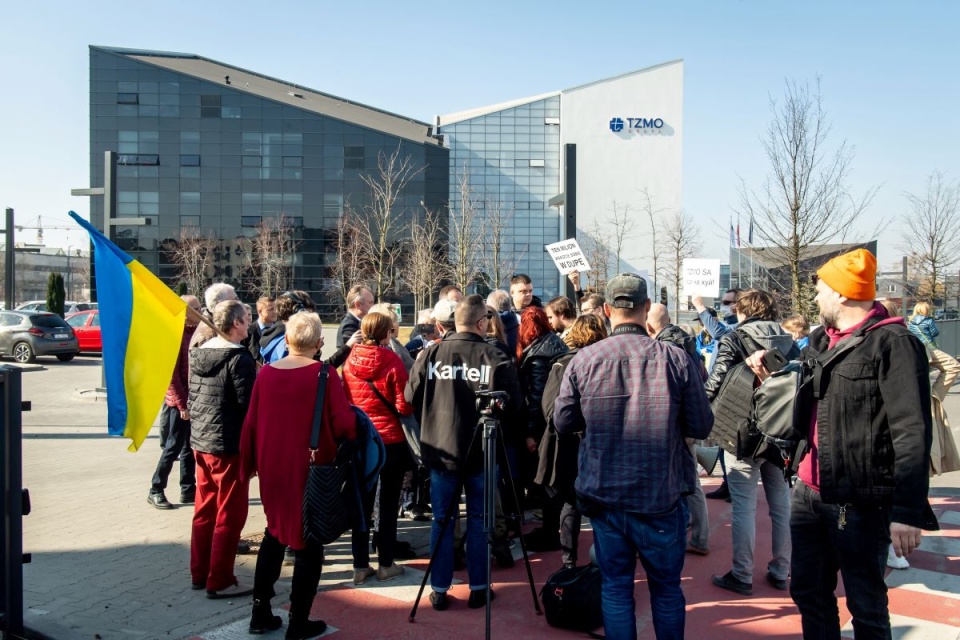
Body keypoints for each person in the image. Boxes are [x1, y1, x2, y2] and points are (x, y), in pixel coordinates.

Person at [745, 249, 939, 638]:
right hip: (807, 493)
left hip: (860, 501)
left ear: (843, 294)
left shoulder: (894, 343)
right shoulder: (820, 340)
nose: (815, 298)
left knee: (865, 604)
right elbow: (812, 402)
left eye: (820, 290)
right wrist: (773, 376)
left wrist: (907, 510)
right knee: (808, 592)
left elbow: (912, 430)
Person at [554, 273, 713, 640]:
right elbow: (702, 424)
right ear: (645, 309)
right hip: (660, 495)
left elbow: (563, 422)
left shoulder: (585, 359)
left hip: (606, 494)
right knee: (666, 589)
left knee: (616, 587)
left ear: (608, 310)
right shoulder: (675, 359)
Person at [240, 312, 355, 637]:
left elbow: (250, 424)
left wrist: (247, 467)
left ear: (287, 340)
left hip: (273, 468)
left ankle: (260, 612)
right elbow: (344, 424)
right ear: (319, 343)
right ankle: (298, 621)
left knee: (274, 533)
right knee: (309, 543)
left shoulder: (266, 375)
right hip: (311, 470)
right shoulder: (325, 374)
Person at [405, 295, 523, 611]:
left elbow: (409, 396)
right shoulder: (493, 356)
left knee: (443, 520)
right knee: (479, 519)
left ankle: (442, 588)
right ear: (482, 323)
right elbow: (515, 408)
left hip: (442, 449)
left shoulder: (431, 354)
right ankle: (477, 587)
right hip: (480, 453)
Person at [704, 289, 797, 597]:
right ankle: (781, 570)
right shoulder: (789, 341)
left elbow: (716, 381)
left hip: (741, 429)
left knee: (743, 506)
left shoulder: (735, 337)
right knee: (781, 503)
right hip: (781, 430)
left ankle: (742, 574)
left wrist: (698, 412)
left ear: (744, 311)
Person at [188, 300, 257, 598]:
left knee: (204, 509)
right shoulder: (238, 358)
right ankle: (220, 579)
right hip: (227, 445)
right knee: (230, 513)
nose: (250, 323)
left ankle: (199, 572)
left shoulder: (198, 353)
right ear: (236, 323)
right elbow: (249, 405)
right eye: (246, 318)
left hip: (201, 441)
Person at [343, 311, 415, 585]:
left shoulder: (349, 361)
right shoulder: (393, 361)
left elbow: (346, 398)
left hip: (362, 439)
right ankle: (386, 563)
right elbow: (403, 406)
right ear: (387, 334)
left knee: (361, 503)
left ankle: (360, 565)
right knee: (388, 505)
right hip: (391, 441)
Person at [535, 314, 608, 568]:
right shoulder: (605, 363)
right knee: (596, 504)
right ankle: (600, 559)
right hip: (595, 442)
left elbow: (548, 409)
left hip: (567, 443)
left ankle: (569, 562)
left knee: (570, 503)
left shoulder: (563, 364)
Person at [646, 303, 709, 556]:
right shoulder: (687, 342)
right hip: (689, 421)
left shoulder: (665, 348)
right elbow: (703, 377)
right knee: (690, 481)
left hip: (678, 424)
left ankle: (694, 538)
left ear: (649, 325)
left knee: (687, 483)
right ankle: (698, 536)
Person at [516, 306, 568, 551]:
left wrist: (528, 432)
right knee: (553, 478)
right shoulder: (555, 344)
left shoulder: (538, 355)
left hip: (543, 425)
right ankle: (551, 528)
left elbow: (536, 396)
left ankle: (550, 532)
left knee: (547, 478)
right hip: (556, 419)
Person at [149, 295, 202, 510]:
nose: (201, 312)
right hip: (178, 404)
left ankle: (188, 489)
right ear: (185, 311)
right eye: (197, 308)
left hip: (193, 401)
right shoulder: (174, 335)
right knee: (173, 447)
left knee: (190, 447)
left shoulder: (195, 333)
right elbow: (171, 377)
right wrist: (182, 405)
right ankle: (156, 489)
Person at [190, 283, 238, 348]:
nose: (240, 304)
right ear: (220, 305)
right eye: (235, 300)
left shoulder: (217, 326)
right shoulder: (209, 336)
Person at [337, 284, 374, 348]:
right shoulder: (349, 326)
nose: (373, 306)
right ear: (358, 305)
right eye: (370, 303)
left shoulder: (357, 322)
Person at [246, 296, 276, 363]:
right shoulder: (248, 331)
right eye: (271, 309)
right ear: (260, 311)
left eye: (275, 309)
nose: (275, 312)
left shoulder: (281, 330)